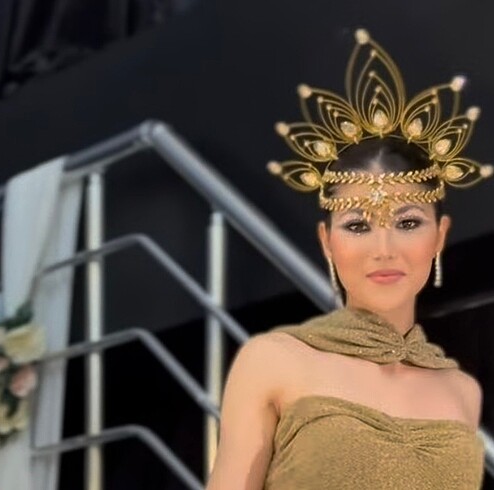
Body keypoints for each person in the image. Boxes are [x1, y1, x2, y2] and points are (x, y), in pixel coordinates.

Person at [206, 29, 491, 489]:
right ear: (327, 242)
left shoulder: (461, 391)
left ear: (440, 236)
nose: (384, 248)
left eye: (408, 222)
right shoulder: (274, 361)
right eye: (358, 226)